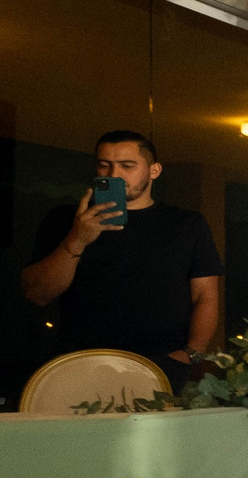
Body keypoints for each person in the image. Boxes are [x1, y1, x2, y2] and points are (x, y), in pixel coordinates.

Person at [21, 130, 223, 383]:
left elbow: (206, 296)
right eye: (104, 165)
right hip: (80, 361)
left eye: (127, 166)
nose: (114, 175)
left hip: (162, 362)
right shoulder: (65, 219)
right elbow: (38, 294)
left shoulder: (186, 224)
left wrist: (191, 353)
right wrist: (78, 237)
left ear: (154, 171)